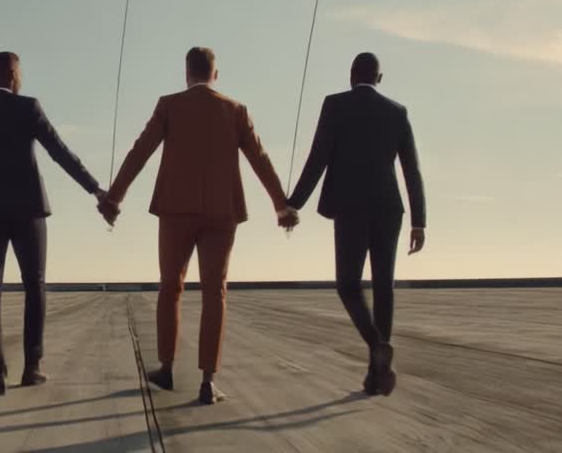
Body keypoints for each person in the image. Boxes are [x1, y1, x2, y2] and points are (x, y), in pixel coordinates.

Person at [99, 47, 298, 405]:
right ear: (215, 75)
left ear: (186, 73)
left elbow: (139, 151)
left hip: (175, 210)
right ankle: (208, 382)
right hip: (222, 213)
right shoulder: (235, 110)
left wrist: (114, 198)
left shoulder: (169, 106)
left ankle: (167, 368)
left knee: (170, 288)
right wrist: (281, 205)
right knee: (215, 292)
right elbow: (260, 158)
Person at [0, 52, 108, 395]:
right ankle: (32, 367)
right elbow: (60, 153)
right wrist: (95, 189)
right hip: (28, 210)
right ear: (14, 74)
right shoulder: (28, 108)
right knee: (35, 286)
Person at [286, 52, 427, 396]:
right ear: (380, 78)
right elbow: (412, 169)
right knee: (383, 288)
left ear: (352, 75)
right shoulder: (397, 112)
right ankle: (377, 374)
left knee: (348, 285)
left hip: (351, 208)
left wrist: (292, 205)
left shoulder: (334, 105)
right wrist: (419, 222)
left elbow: (318, 157)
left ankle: (377, 345)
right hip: (390, 208)